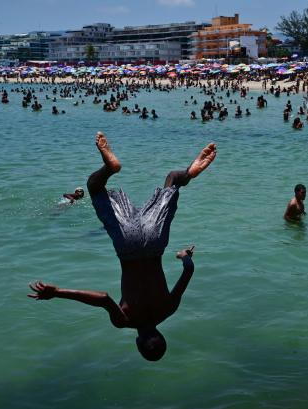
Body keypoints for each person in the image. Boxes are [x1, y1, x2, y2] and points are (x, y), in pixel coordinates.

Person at [29, 132, 217, 362]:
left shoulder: (168, 309)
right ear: (138, 343)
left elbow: (189, 270)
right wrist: (58, 293)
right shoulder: (125, 321)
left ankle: (188, 172)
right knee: (95, 187)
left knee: (173, 180)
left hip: (155, 241)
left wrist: (183, 255)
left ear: (161, 334)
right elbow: (103, 298)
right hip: (126, 247)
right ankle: (108, 169)